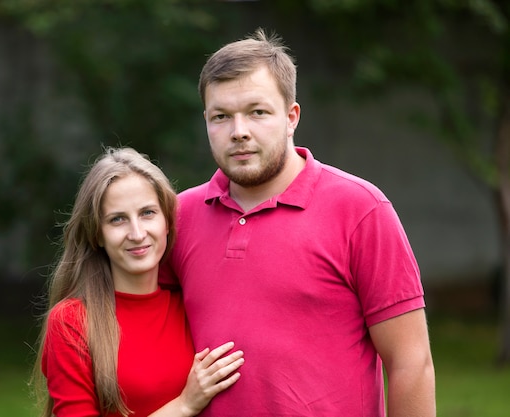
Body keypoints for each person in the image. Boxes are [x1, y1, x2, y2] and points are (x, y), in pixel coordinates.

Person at [160, 29, 436, 416]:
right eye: (221, 116)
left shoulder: (361, 210)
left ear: (291, 118)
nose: (239, 131)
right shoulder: (176, 216)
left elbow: (411, 363)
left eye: (257, 112)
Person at [31, 147, 245, 417]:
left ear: (167, 221)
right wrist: (184, 405)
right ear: (97, 234)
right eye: (117, 219)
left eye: (147, 213)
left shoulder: (190, 305)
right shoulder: (71, 322)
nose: (136, 233)